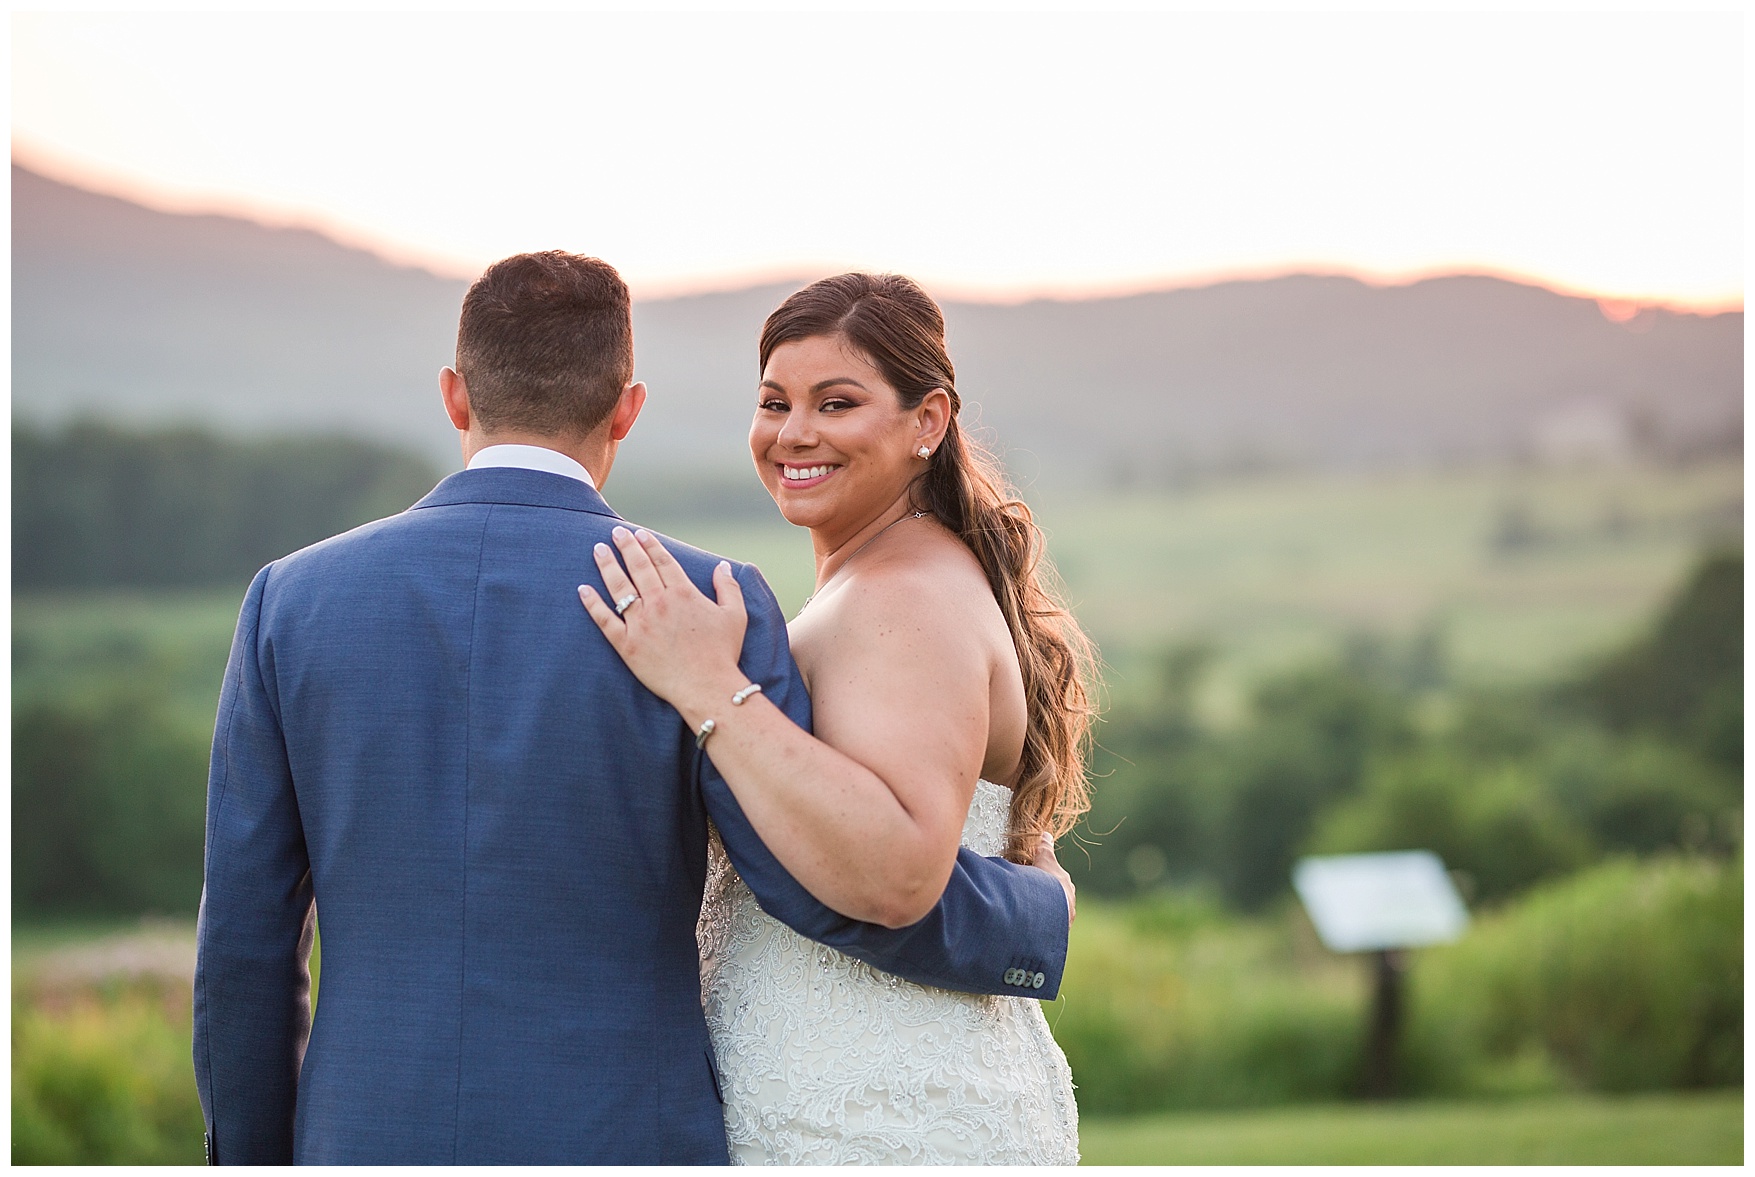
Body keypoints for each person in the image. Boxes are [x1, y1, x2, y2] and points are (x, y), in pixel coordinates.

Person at [191, 253, 1075, 1165]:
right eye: (776, 402)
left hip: (362, 1135)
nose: (794, 429)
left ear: (456, 396)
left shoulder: (290, 601)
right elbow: (809, 884)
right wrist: (1030, 913)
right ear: (626, 407)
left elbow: (243, 946)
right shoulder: (695, 601)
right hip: (622, 1137)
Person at [579, 272, 1096, 1164]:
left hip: (877, 1114)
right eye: (774, 402)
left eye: (837, 402)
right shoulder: (884, 580)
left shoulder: (903, 600)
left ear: (926, 422)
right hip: (843, 1090)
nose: (795, 433)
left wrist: (706, 688)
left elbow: (899, 873)